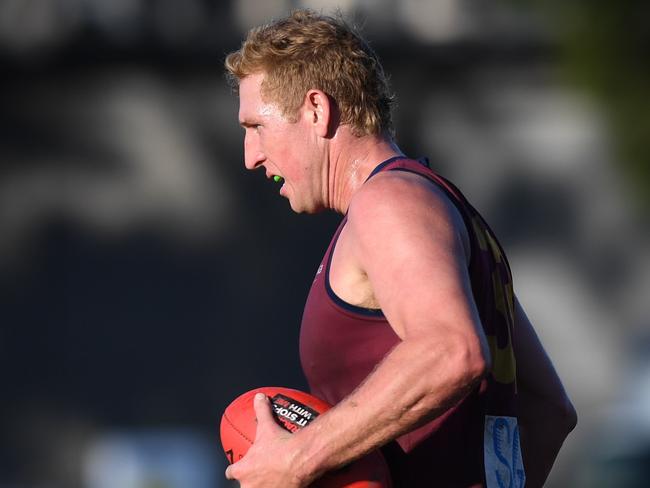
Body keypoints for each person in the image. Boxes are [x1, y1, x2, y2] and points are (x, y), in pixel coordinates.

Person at [223, 9, 576, 488]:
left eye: (256, 127)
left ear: (315, 110)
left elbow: (451, 350)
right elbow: (548, 408)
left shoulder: (389, 203)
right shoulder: (445, 209)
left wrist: (299, 457)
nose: (250, 157)